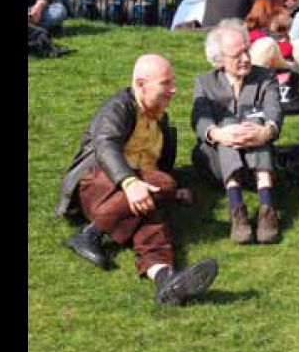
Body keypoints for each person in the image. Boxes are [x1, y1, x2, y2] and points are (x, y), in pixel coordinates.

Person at [55, 55, 218, 305]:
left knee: (152, 215)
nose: (174, 89)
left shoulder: (161, 121)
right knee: (161, 184)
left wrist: (169, 191)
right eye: (166, 83)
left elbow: (155, 167)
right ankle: (89, 234)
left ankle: (167, 281)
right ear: (141, 84)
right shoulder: (118, 107)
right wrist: (131, 184)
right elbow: (105, 146)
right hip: (99, 182)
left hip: (138, 189)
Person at [191, 19, 284, 245]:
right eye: (237, 55)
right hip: (218, 164)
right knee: (227, 127)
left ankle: (267, 210)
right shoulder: (204, 82)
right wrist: (218, 134)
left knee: (257, 125)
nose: (246, 59)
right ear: (220, 60)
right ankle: (237, 212)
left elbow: (274, 111)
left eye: (247, 51)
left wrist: (266, 131)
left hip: (257, 160)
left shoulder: (265, 77)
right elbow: (199, 118)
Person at [244, 0, 299, 98]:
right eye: (285, 6)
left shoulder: (285, 35)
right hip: (265, 85)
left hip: (293, 85)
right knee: (267, 44)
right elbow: (282, 51)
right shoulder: (251, 35)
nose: (289, 11)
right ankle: (247, 95)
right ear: (274, 10)